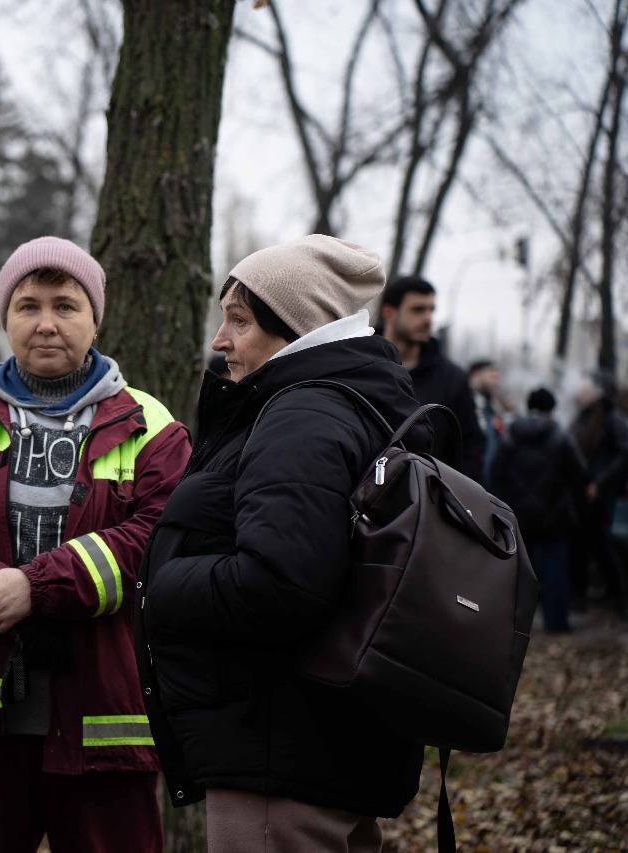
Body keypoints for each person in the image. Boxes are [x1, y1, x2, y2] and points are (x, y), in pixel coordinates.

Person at [0, 236, 191, 853]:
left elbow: (158, 541)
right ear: (4, 319)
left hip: (110, 715)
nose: (47, 324)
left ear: (95, 318)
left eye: (66, 305)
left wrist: (35, 587)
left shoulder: (151, 426)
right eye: (28, 306)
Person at [138, 235, 429, 852]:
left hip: (281, 753)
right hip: (330, 742)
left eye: (239, 321)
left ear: (297, 328)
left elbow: (281, 581)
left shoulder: (303, 416)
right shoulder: (359, 402)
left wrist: (162, 581)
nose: (220, 340)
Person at [492, 388, 588, 633]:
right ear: (552, 409)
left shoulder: (511, 434)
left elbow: (496, 472)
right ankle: (557, 624)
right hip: (555, 516)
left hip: (518, 515)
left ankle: (511, 625)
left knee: (518, 570)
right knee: (555, 570)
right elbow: (579, 474)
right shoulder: (560, 436)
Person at [379, 274, 485, 480]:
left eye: (431, 309)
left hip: (429, 504)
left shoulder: (453, 380)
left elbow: (471, 449)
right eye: (418, 309)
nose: (428, 319)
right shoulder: (361, 367)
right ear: (389, 313)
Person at [569, 377, 628, 616]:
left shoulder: (611, 420)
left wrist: (600, 483)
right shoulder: (582, 417)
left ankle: (619, 598)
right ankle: (580, 597)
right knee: (580, 546)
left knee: (602, 545)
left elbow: (625, 453)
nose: (580, 390)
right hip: (581, 494)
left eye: (586, 386)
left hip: (601, 495)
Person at [468, 359, 506, 486]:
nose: (496, 382)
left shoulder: (492, 409)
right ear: (475, 376)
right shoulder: (466, 406)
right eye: (492, 377)